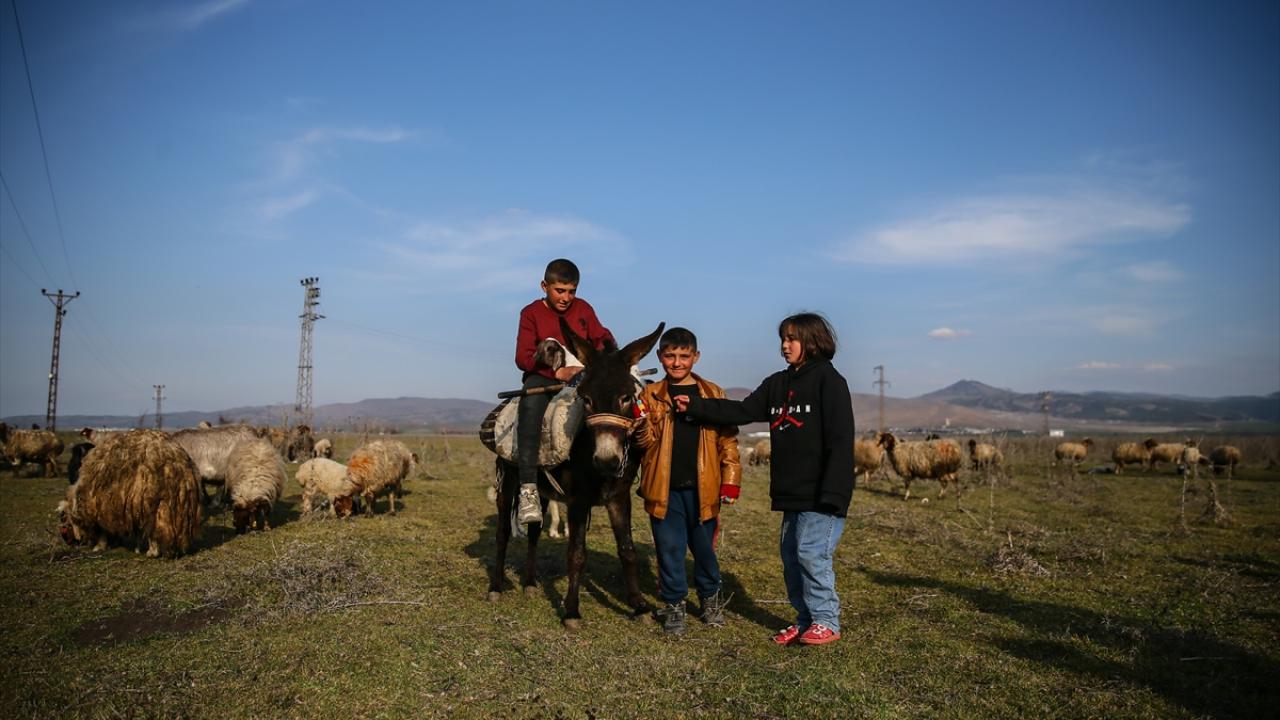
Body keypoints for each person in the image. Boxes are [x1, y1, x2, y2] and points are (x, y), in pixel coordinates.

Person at [673, 312, 854, 646]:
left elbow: (841, 441)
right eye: (783, 339)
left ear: (813, 341)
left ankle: (826, 620)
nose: (785, 345)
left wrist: (835, 494)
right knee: (791, 559)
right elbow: (742, 411)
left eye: (792, 339)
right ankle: (805, 621)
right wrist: (696, 406)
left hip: (822, 493)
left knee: (811, 554)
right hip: (791, 492)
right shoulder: (777, 384)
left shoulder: (829, 382)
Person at [634, 327, 742, 636]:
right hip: (664, 488)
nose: (677, 362)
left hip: (704, 488)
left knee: (704, 550)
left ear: (696, 357)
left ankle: (710, 599)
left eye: (684, 356)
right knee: (669, 549)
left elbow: (727, 440)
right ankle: (674, 605)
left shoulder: (713, 393)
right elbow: (645, 443)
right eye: (670, 356)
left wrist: (730, 480)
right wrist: (639, 425)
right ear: (660, 357)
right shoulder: (650, 395)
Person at [513, 259, 615, 527]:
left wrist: (610, 353)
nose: (566, 298)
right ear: (544, 286)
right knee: (530, 406)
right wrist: (557, 372)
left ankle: (612, 474)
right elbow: (523, 357)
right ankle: (528, 489)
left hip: (582, 375)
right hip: (542, 375)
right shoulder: (531, 313)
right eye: (560, 290)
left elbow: (601, 336)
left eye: (571, 291)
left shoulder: (583, 309)